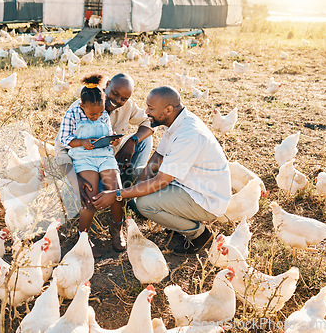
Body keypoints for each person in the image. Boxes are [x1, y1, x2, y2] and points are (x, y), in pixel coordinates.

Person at [92, 86, 231, 256]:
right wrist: (142, 183)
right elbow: (158, 156)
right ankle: (177, 220)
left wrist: (117, 194)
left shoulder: (189, 135)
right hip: (188, 184)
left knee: (145, 205)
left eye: (150, 108)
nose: (146, 111)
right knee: (136, 174)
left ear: (168, 109)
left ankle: (198, 234)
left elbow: (161, 181)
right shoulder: (175, 121)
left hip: (206, 198)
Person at [55, 73, 154, 210]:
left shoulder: (127, 106)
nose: (117, 100)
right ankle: (115, 193)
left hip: (110, 162)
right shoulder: (79, 108)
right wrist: (75, 180)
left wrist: (133, 141)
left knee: (145, 138)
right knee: (91, 195)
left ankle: (127, 188)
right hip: (85, 166)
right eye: (114, 93)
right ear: (107, 85)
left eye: (123, 99)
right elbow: (60, 151)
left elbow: (149, 122)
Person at [58, 74, 125, 257]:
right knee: (90, 196)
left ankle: (117, 228)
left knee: (116, 191)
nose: (96, 117)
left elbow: (107, 132)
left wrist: (112, 140)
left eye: (100, 113)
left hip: (103, 155)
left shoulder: (103, 113)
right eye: (92, 114)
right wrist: (81, 142)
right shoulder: (72, 113)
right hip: (83, 157)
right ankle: (83, 236)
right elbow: (64, 140)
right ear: (82, 106)